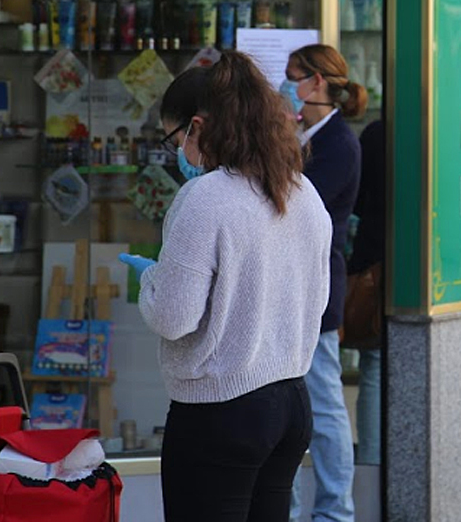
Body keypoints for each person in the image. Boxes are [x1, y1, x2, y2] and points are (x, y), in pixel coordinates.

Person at [119, 53, 333, 521]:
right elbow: (316, 303)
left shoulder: (203, 197)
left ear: (197, 128)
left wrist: (150, 280)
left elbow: (174, 318)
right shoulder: (300, 189)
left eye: (173, 138)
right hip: (291, 404)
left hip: (221, 411)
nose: (175, 152)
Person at [281, 44, 365, 522]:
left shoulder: (338, 143)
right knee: (294, 403)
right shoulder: (306, 134)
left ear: (316, 83)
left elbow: (297, 207)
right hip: (293, 285)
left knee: (326, 406)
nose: (287, 84)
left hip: (316, 287)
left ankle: (335, 511)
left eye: (293, 76)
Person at [346, 118, 385, 466]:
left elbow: (357, 201)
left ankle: (372, 463)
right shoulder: (436, 128)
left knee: (374, 365)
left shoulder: (376, 133)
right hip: (425, 265)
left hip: (374, 260)